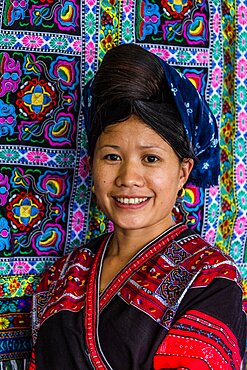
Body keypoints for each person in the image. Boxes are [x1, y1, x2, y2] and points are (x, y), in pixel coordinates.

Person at [29, 44, 246, 370]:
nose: (128, 178)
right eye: (112, 156)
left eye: (151, 158)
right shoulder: (62, 277)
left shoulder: (211, 281)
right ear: (92, 165)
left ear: (183, 171)